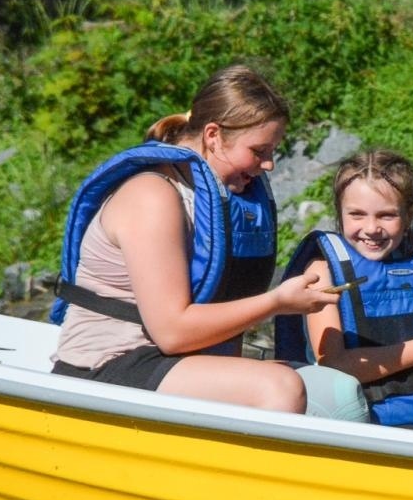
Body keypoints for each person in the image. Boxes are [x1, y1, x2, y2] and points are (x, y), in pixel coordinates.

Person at [50, 64, 360, 417]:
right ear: (213, 136)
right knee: (279, 387)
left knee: (337, 391)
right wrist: (277, 302)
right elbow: (172, 333)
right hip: (107, 364)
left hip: (171, 361)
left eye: (273, 151)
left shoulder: (218, 196)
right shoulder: (153, 196)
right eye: (259, 151)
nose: (269, 165)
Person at [273, 149, 413, 429]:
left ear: (409, 213)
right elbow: (334, 366)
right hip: (366, 422)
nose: (371, 228)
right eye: (357, 215)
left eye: (386, 216)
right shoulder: (322, 272)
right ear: (340, 212)